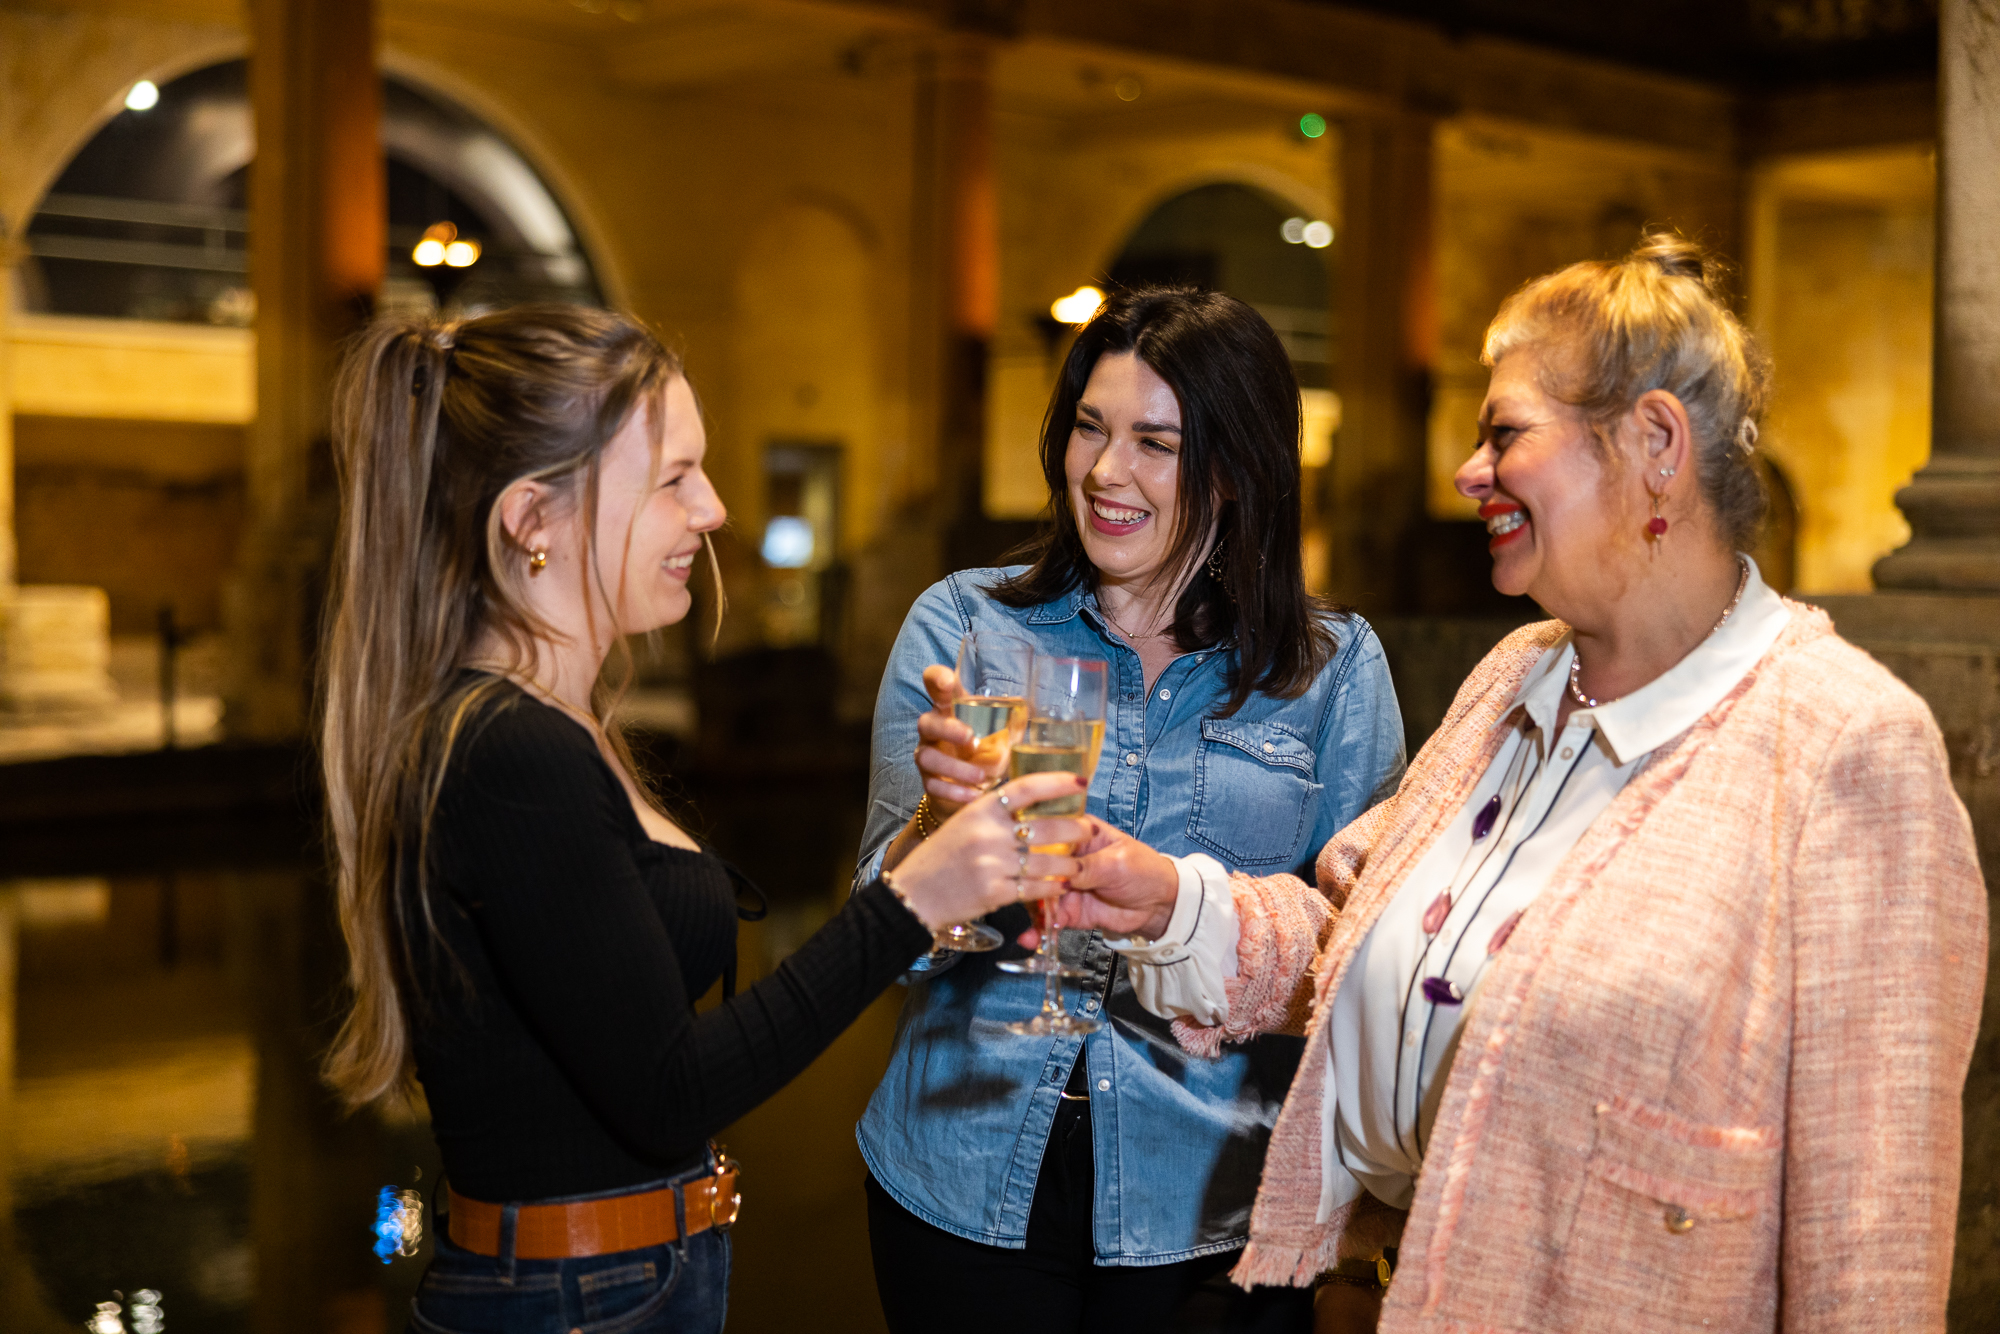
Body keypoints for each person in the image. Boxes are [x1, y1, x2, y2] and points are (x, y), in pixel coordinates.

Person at [1061, 236, 1987, 1331]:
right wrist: (1171, 902)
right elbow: (1366, 936)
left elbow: (1866, 1258)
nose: (1465, 472)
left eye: (1503, 433)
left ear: (1652, 442)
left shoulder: (1847, 748)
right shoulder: (1517, 672)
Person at [317, 306, 1090, 1334]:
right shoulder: (510, 750)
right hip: (573, 1299)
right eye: (674, 478)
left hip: (619, 1279)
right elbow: (668, 1090)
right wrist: (911, 903)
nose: (716, 509)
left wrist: (923, 845)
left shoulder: (559, 724)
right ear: (531, 519)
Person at [855, 287, 1407, 1330]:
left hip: (1214, 1205)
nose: (1105, 472)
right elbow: (879, 942)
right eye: (1089, 427)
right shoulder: (968, 625)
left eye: (1156, 442)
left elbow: (1360, 964)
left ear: (1239, 473)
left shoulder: (1332, 672)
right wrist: (939, 826)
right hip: (963, 1178)